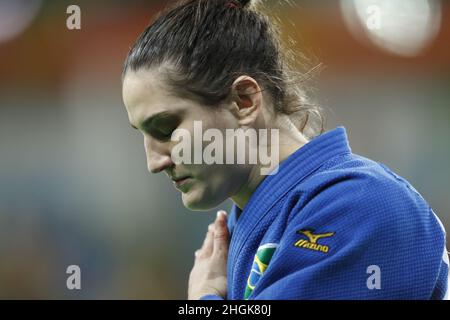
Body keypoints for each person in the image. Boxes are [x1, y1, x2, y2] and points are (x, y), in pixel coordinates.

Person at [121, 0, 449, 299]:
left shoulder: (361, 205)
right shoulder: (247, 230)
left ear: (244, 101)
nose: (154, 162)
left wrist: (205, 299)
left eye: (166, 128)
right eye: (142, 135)